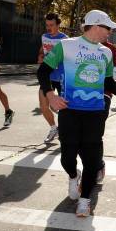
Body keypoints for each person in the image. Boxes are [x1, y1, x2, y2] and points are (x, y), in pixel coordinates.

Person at [37, 10, 116, 217]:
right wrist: (50, 96)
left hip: (95, 112)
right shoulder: (65, 46)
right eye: (107, 28)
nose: (110, 32)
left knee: (92, 159)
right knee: (68, 157)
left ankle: (85, 200)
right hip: (69, 110)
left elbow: (108, 81)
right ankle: (72, 175)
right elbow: (43, 71)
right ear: (95, 26)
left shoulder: (106, 52)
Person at [96, 37, 116, 184]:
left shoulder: (110, 49)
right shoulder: (78, 45)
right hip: (82, 97)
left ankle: (97, 165)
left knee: (95, 133)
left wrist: (111, 71)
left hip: (104, 94)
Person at [37, 13, 68, 143]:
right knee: (44, 106)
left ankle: (64, 129)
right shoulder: (44, 36)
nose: (49, 28)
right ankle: (53, 128)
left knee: (62, 108)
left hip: (61, 76)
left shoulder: (65, 39)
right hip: (47, 76)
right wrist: (40, 56)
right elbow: (42, 49)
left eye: (52, 25)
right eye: (47, 25)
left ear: (58, 25)